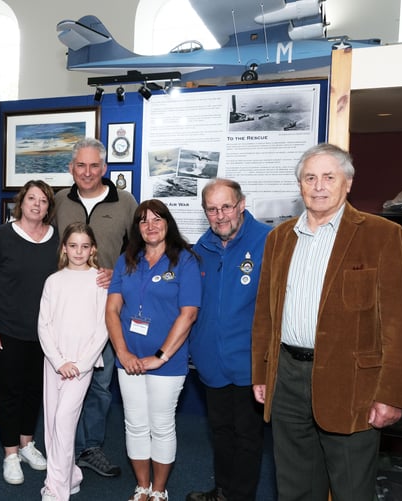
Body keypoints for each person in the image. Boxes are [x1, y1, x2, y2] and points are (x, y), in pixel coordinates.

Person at [251, 143, 402, 501]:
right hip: (288, 379)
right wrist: (262, 374)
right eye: (310, 177)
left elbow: (398, 324)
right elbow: (265, 313)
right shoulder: (279, 239)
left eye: (329, 177)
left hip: (352, 385)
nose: (319, 186)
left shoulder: (381, 235)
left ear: (348, 183)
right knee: (294, 488)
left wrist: (391, 394)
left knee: (352, 490)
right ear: (300, 186)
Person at [106, 199, 201, 501]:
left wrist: (159, 357)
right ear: (137, 228)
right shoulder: (126, 260)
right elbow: (112, 310)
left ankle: (160, 490)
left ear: (168, 223)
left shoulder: (184, 260)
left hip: (167, 364)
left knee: (161, 425)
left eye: (157, 219)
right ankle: (142, 487)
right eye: (144, 220)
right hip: (129, 360)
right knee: (134, 424)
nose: (150, 225)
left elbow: (189, 314)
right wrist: (122, 353)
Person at [53, 137, 137, 478]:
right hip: (65, 311)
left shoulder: (126, 202)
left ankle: (90, 447)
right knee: (65, 378)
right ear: (71, 169)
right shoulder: (58, 201)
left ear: (105, 168)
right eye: (80, 166)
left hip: (106, 311)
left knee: (100, 383)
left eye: (94, 166)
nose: (87, 172)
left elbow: (141, 253)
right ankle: (63, 447)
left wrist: (118, 273)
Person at [186, 179, 271, 501]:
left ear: (241, 205)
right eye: (212, 209)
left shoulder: (268, 240)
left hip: (249, 362)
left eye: (226, 207)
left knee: (248, 437)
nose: (220, 216)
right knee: (220, 432)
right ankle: (222, 491)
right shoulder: (200, 249)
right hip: (211, 361)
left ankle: (240, 497)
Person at [0, 180, 58, 486]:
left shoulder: (56, 239)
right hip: (8, 331)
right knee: (10, 392)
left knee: (34, 392)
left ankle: (27, 444)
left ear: (48, 207)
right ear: (21, 202)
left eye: (43, 200)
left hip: (44, 334)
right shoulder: (2, 236)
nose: (37, 204)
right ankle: (10, 453)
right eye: (31, 199)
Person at [38, 223, 109, 501]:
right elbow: (44, 324)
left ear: (93, 249)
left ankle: (56, 490)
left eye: (84, 246)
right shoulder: (53, 281)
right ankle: (72, 475)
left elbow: (104, 327)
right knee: (52, 421)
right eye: (73, 245)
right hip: (54, 361)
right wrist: (58, 361)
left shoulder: (98, 280)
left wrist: (81, 364)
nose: (78, 251)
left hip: (82, 365)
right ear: (64, 249)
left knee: (65, 421)